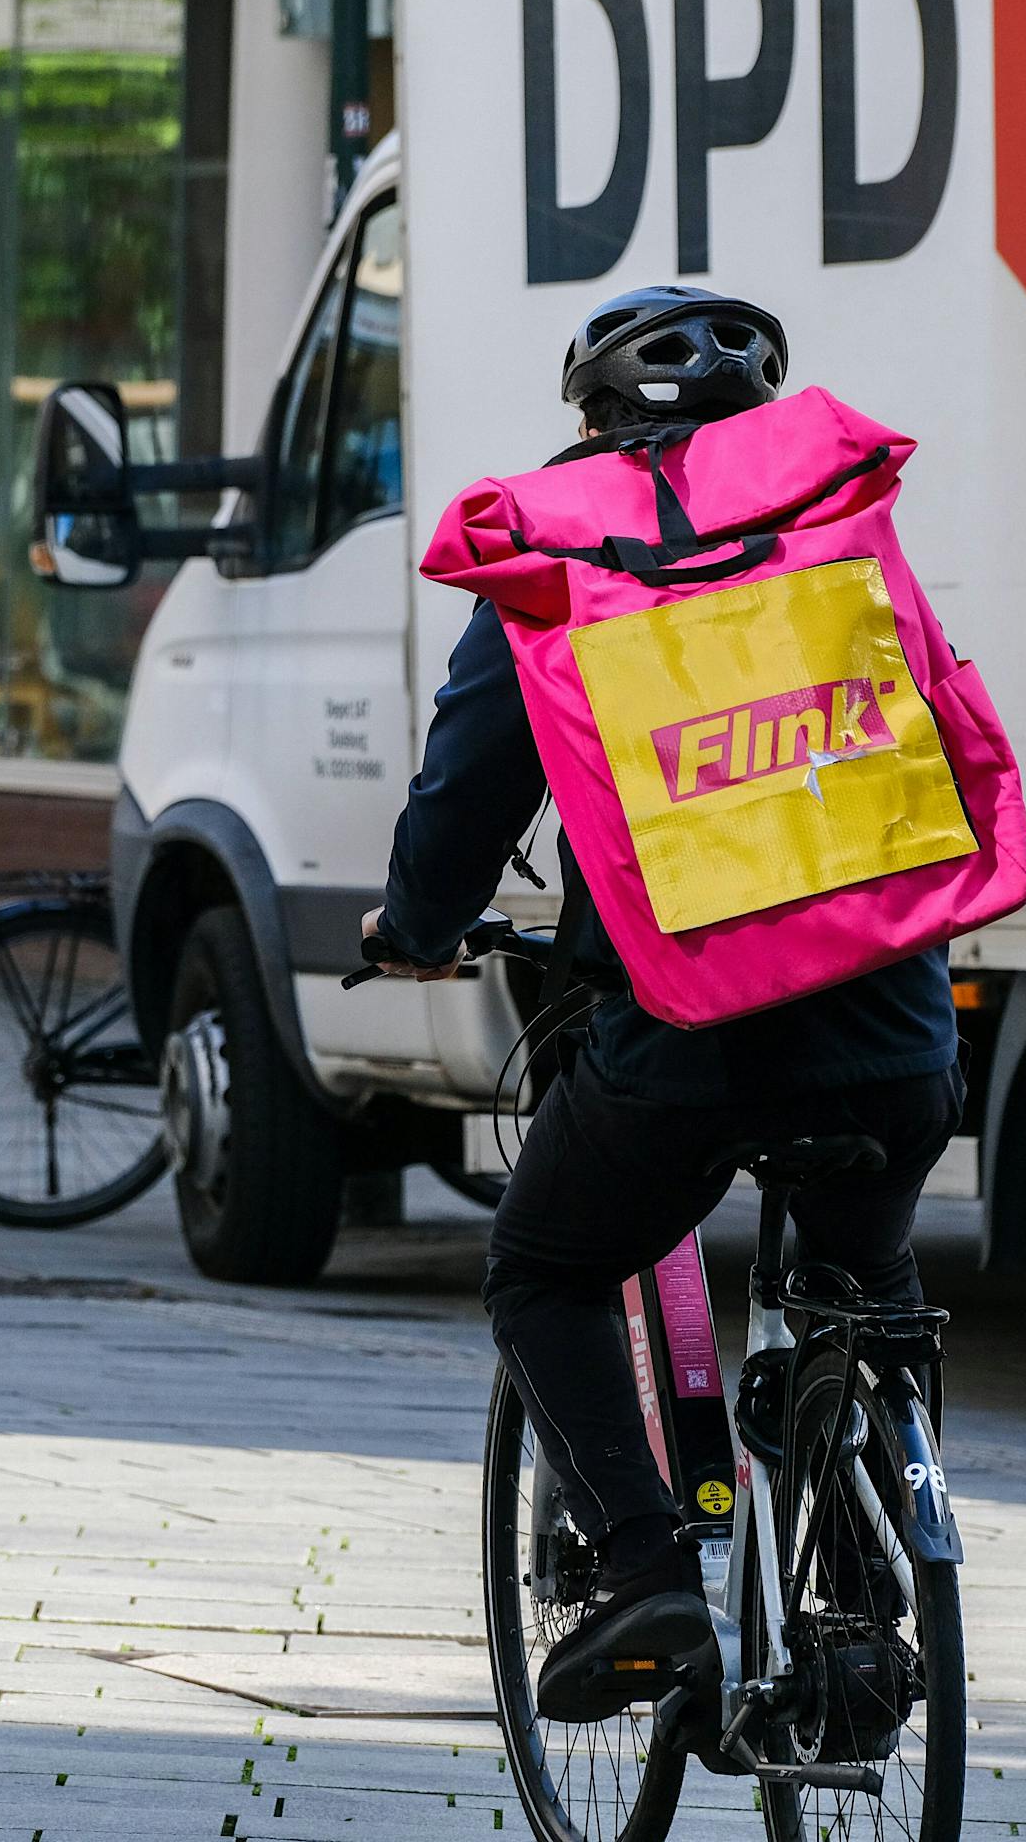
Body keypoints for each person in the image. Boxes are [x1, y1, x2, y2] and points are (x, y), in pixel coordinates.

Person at [362, 286, 963, 1722]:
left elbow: (468, 793)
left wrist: (418, 926)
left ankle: (649, 1574)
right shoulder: (839, 536)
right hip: (898, 1034)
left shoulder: (569, 553)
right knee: (868, 1288)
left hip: (689, 1039)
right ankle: (876, 1610)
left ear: (595, 425)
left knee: (543, 1269)